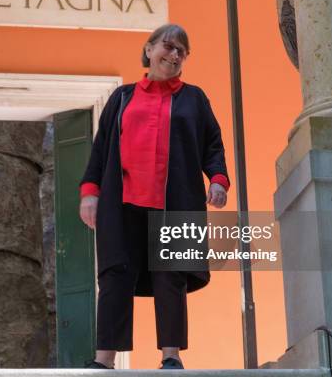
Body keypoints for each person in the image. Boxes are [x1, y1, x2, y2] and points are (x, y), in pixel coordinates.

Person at [79, 24, 230, 370]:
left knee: (171, 273)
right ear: (149, 50)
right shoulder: (121, 98)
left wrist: (218, 179)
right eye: (168, 46)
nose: (174, 55)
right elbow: (101, 150)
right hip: (123, 202)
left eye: (182, 51)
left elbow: (213, 144)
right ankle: (104, 361)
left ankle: (171, 357)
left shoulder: (194, 98)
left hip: (176, 200)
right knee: (115, 274)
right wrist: (90, 193)